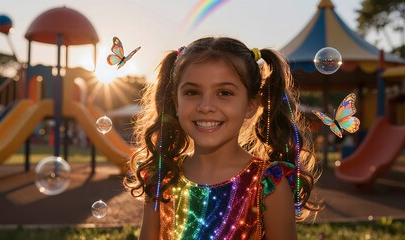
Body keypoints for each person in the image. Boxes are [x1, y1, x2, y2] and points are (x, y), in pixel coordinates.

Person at [124, 37, 321, 239]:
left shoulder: (269, 185)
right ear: (176, 102)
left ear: (251, 104)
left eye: (224, 93)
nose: (206, 106)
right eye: (192, 92)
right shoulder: (161, 179)